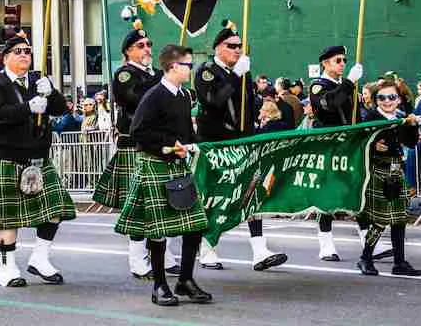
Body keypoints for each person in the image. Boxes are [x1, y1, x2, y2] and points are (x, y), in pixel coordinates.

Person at [0, 30, 76, 287]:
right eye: (18, 51)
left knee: (56, 210)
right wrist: (28, 107)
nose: (25, 55)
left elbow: (62, 109)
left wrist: (51, 93)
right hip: (10, 156)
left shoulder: (38, 80)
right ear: (5, 57)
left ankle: (40, 257)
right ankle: (6, 266)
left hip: (39, 156)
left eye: (28, 51)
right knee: (8, 217)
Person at [115, 44, 211, 307]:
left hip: (177, 165)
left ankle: (185, 280)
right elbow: (138, 131)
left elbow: (185, 131)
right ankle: (159, 286)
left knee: (195, 225)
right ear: (173, 67)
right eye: (188, 65)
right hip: (155, 164)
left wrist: (192, 144)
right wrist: (168, 146)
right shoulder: (154, 95)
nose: (191, 70)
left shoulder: (183, 96)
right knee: (158, 230)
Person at [193, 20, 286, 273]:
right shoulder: (207, 71)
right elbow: (214, 101)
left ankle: (259, 249)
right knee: (217, 196)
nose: (237, 50)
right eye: (231, 46)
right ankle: (207, 248)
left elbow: (247, 108)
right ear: (218, 48)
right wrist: (235, 77)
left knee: (252, 192)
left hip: (243, 142)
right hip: (218, 144)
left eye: (240, 46)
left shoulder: (242, 74)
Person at [93, 20, 177, 279]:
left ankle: (165, 255)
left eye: (149, 44)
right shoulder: (125, 74)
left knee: (163, 203)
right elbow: (138, 100)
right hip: (135, 146)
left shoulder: (153, 75)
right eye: (140, 45)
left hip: (159, 144)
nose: (147, 48)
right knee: (139, 206)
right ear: (128, 51)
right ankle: (137, 260)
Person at [356, 79, 421, 277]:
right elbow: (357, 143)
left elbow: (410, 143)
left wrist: (412, 126)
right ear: (376, 99)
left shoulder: (402, 117)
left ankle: (399, 262)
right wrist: (371, 144)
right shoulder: (369, 118)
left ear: (399, 99)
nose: (387, 101)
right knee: (379, 220)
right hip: (378, 171)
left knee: (400, 219)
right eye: (382, 97)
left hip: (396, 171)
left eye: (392, 97)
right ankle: (365, 258)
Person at [308, 46, 364, 261]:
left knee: (358, 192)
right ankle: (326, 243)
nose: (342, 64)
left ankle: (369, 241)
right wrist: (350, 82)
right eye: (337, 60)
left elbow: (355, 117)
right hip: (330, 148)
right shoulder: (318, 86)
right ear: (325, 63)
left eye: (344, 60)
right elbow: (330, 105)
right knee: (328, 196)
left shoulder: (348, 87)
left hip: (350, 147)